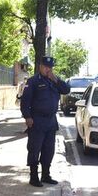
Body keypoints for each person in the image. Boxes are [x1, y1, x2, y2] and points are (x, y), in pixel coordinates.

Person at [20, 55, 70, 187]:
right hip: (37, 121)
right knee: (34, 149)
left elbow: (66, 90)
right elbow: (25, 102)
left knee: (49, 150)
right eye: (46, 67)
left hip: (51, 121)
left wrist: (56, 80)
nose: (48, 69)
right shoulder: (33, 81)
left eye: (50, 67)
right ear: (40, 67)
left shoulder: (54, 80)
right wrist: (27, 117)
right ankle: (34, 176)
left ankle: (46, 175)